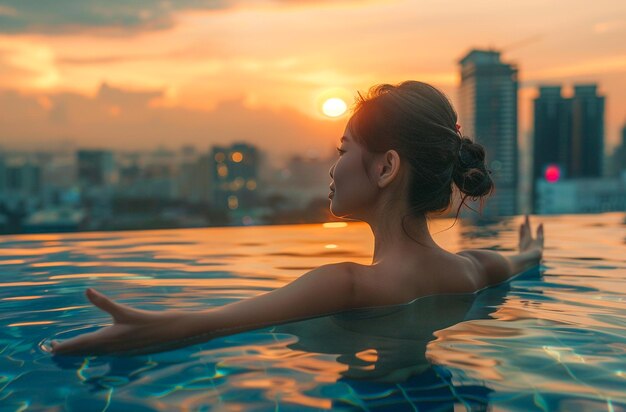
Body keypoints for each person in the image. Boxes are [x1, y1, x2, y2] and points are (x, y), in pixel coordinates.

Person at [49, 80, 544, 356]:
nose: (333, 167)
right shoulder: (474, 270)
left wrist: (137, 330)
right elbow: (520, 262)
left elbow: (209, 325)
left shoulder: (346, 285)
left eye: (343, 149)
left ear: (387, 167)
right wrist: (531, 250)